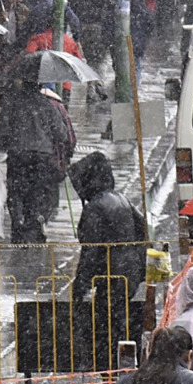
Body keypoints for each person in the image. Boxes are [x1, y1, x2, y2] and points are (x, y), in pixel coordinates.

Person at [69, 151, 148, 371]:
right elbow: (143, 229)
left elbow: (91, 253)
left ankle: (112, 380)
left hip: (110, 279)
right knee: (122, 330)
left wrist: (81, 284)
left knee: (106, 335)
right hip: (127, 277)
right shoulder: (121, 199)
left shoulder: (95, 207)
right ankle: (125, 373)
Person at [0, 52, 76, 244]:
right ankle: (34, 222)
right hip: (42, 156)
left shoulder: (13, 105)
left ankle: (18, 221)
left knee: (16, 191)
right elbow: (61, 134)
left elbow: (1, 132)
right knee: (37, 191)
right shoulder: (48, 106)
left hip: (18, 154)